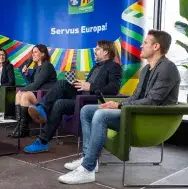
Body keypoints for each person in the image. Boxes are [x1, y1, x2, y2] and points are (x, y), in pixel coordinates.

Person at [58, 30, 180, 185]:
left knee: (100, 115)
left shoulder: (167, 68)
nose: (141, 45)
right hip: (135, 112)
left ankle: (87, 169)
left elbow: (153, 101)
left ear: (156, 46)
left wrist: (120, 105)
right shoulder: (146, 69)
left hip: (149, 119)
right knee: (87, 110)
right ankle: (89, 159)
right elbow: (136, 97)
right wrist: (114, 104)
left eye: (146, 43)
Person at [24, 40, 122, 153]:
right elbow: (87, 85)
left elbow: (114, 90)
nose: (95, 51)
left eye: (98, 49)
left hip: (91, 101)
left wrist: (90, 87)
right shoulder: (95, 68)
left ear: (106, 52)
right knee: (62, 83)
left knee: (59, 104)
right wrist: (80, 84)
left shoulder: (114, 66)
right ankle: (42, 108)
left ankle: (42, 141)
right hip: (81, 96)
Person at [8, 44, 57, 138]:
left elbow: (36, 85)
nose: (33, 55)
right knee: (20, 95)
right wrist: (26, 75)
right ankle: (21, 127)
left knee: (24, 95)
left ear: (42, 54)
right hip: (38, 93)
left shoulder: (47, 66)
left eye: (35, 52)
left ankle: (23, 128)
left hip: (47, 96)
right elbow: (32, 83)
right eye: (32, 52)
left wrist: (21, 90)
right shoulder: (36, 67)